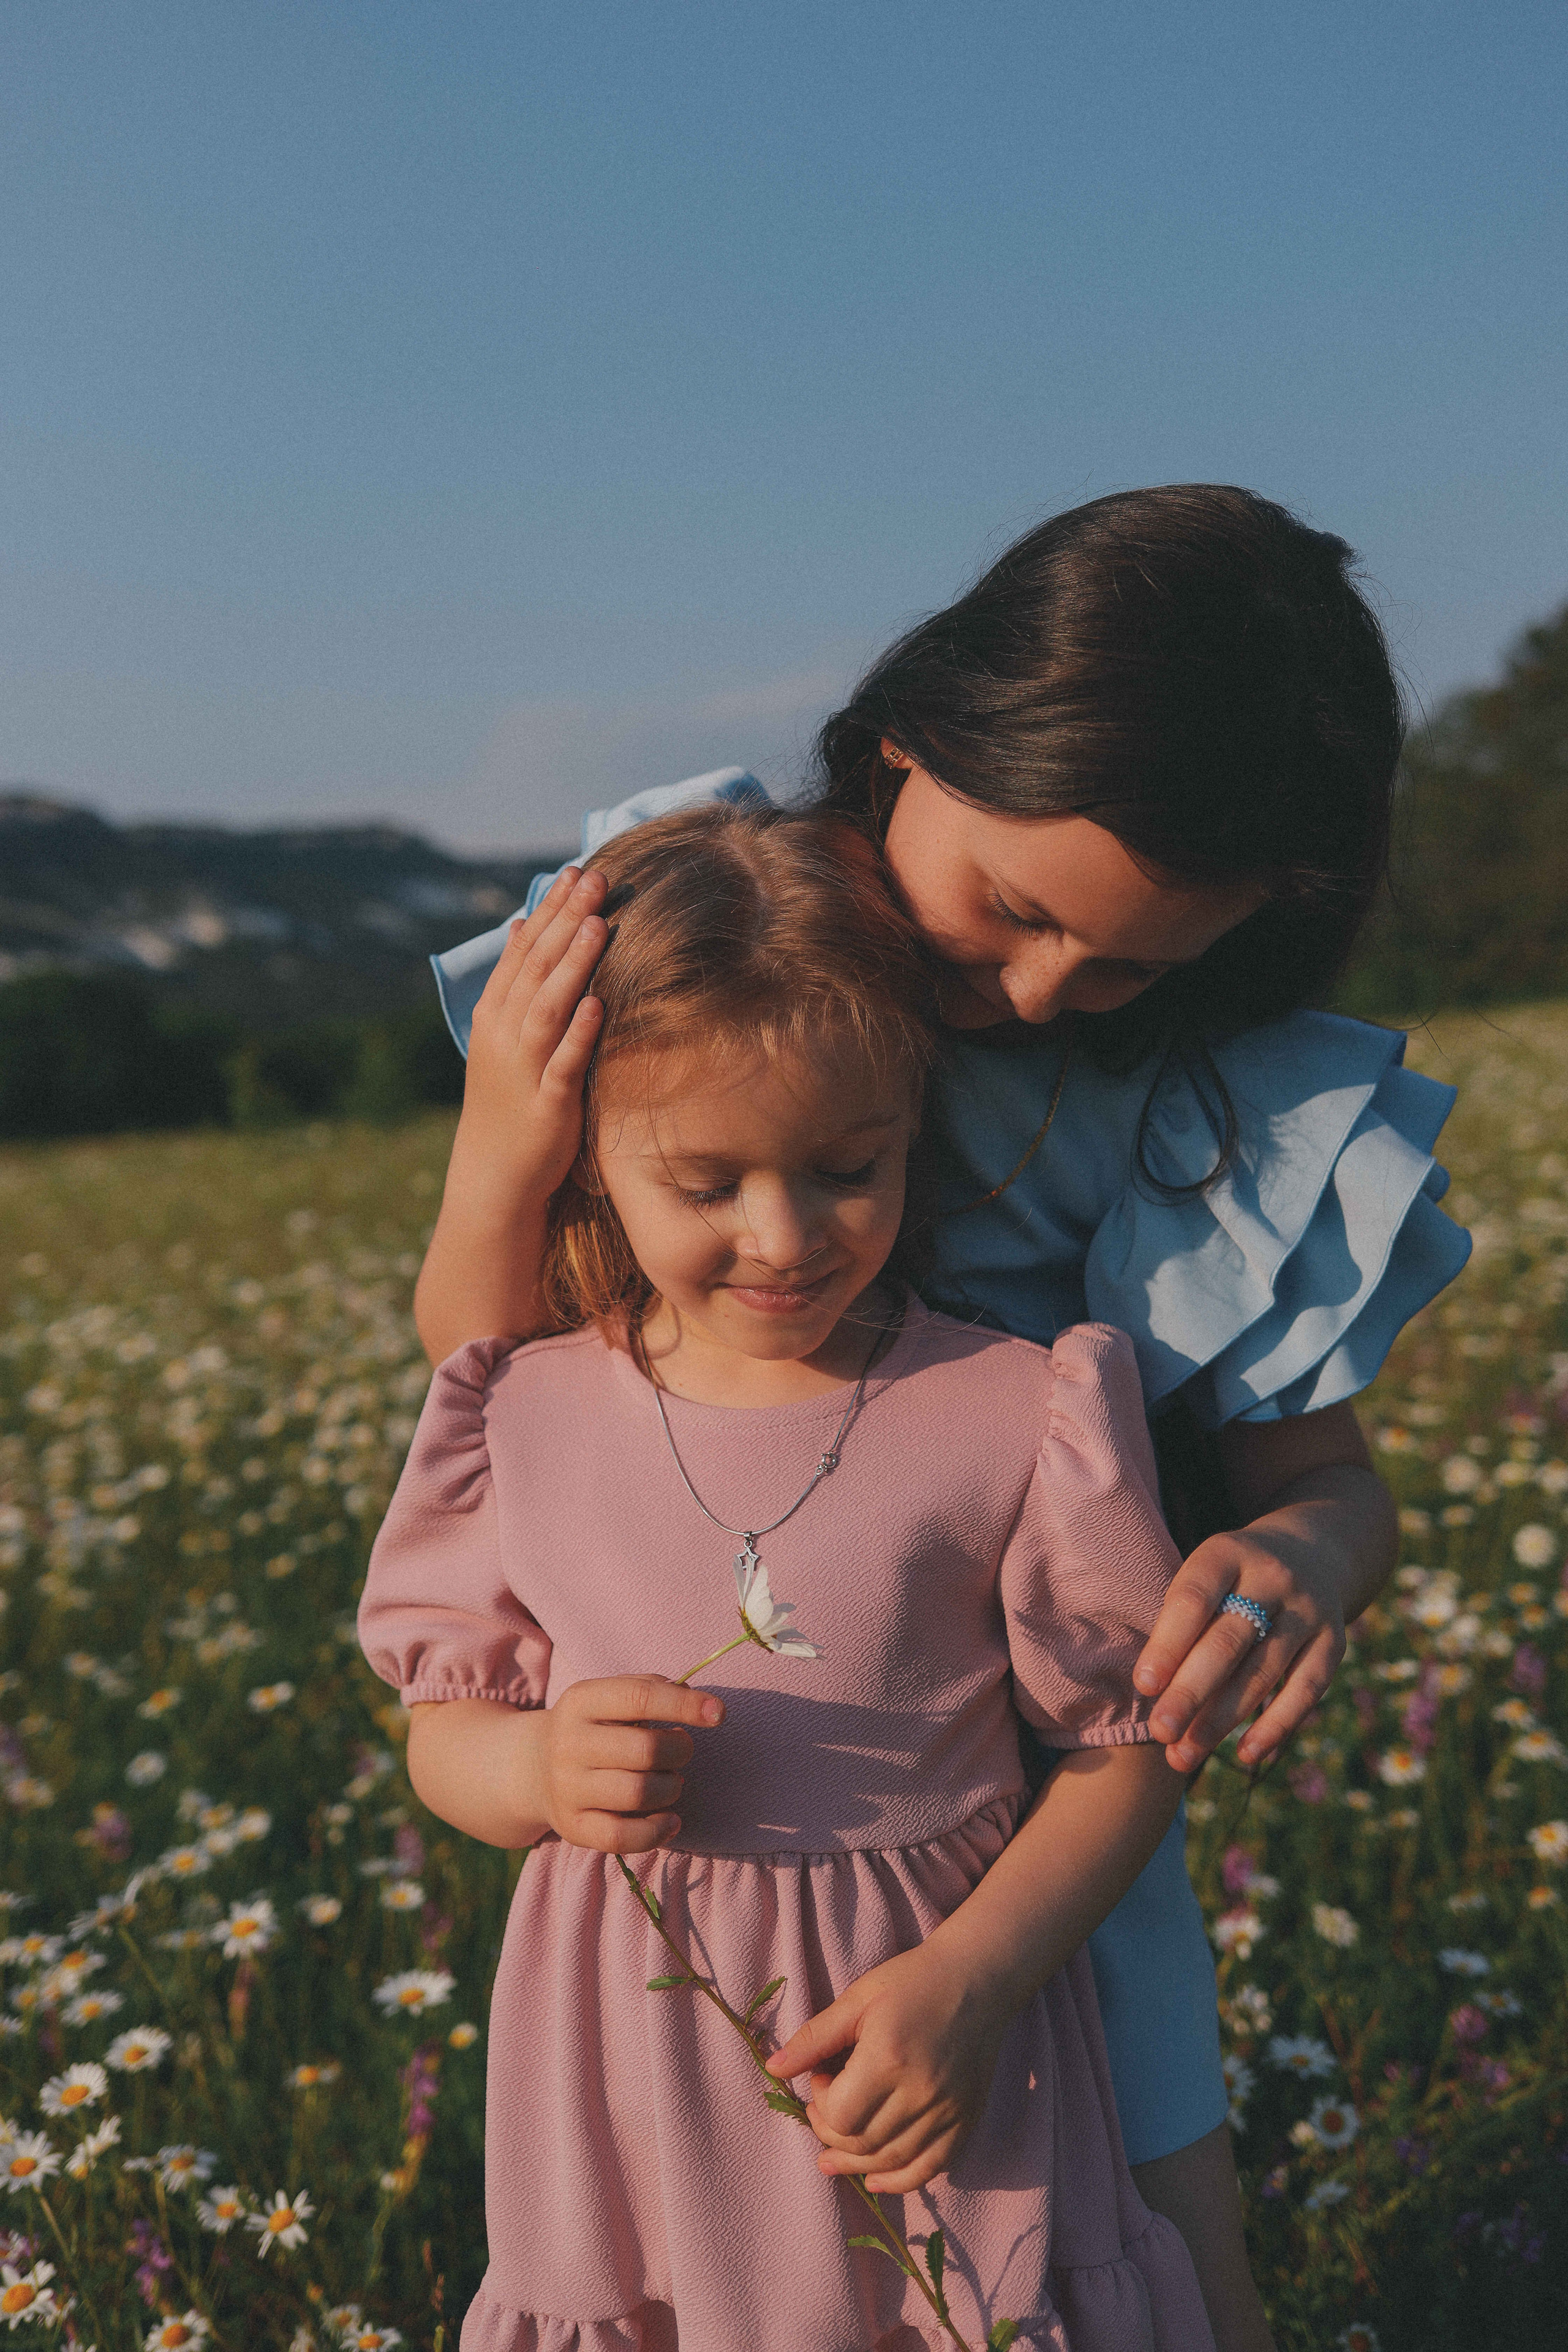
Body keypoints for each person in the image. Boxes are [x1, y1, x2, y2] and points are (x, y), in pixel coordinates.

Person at [415, 486, 1472, 2347]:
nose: (1045, 990)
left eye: (1135, 963)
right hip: (730, 1819)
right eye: (1014, 911)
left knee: (1156, 2257)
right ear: (913, 740)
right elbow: (490, 1385)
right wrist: (505, 1150)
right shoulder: (716, 959)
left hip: (1062, 1820)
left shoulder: (1212, 1111)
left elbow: (1329, 1483)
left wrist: (1302, 1560)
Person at [361, 803, 1216, 2352]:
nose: (783, 1235)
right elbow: (441, 1733)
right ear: (590, 1160)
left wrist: (973, 1980)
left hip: (938, 2054)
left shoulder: (1012, 1407)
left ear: (910, 1130)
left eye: (845, 1168)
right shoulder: (520, 1410)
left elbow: (1125, 1742)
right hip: (632, 2074)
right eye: (706, 1183)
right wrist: (532, 1768)